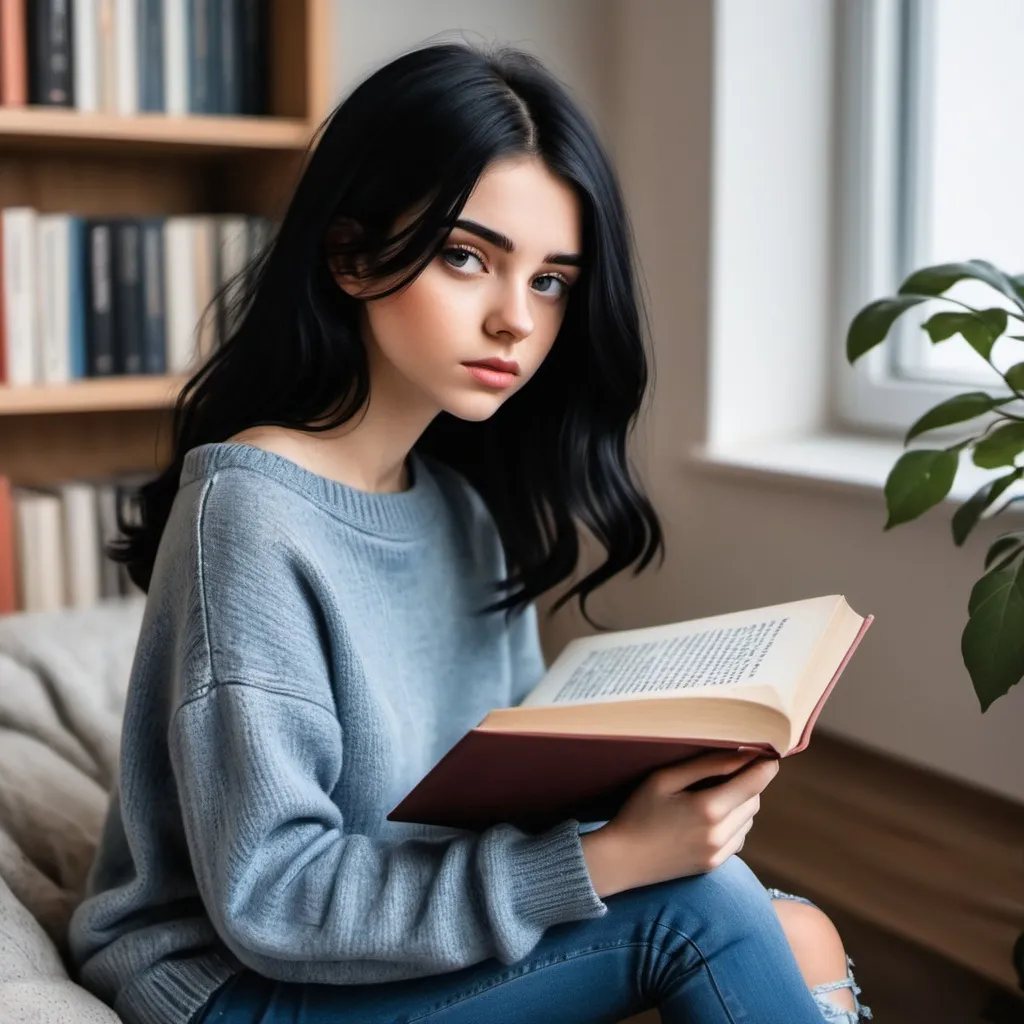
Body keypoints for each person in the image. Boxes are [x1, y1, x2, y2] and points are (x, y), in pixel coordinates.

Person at [66, 42, 871, 1024]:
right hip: (236, 984)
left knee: (799, 928)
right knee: (700, 908)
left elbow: (480, 802)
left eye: (550, 281)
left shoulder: (457, 507)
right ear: (351, 254)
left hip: (383, 939)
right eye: (466, 256)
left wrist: (643, 801)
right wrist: (614, 858)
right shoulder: (250, 513)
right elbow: (271, 897)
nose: (514, 322)